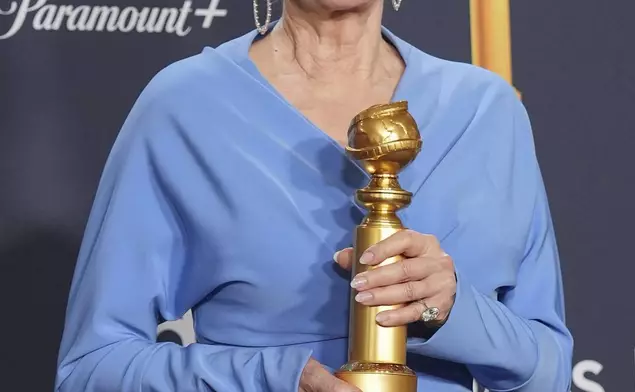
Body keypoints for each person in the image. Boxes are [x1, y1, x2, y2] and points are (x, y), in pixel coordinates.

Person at [54, 0, 573, 391]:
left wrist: (452, 310)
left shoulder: (488, 111)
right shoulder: (182, 107)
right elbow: (91, 369)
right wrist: (275, 378)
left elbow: (549, 369)